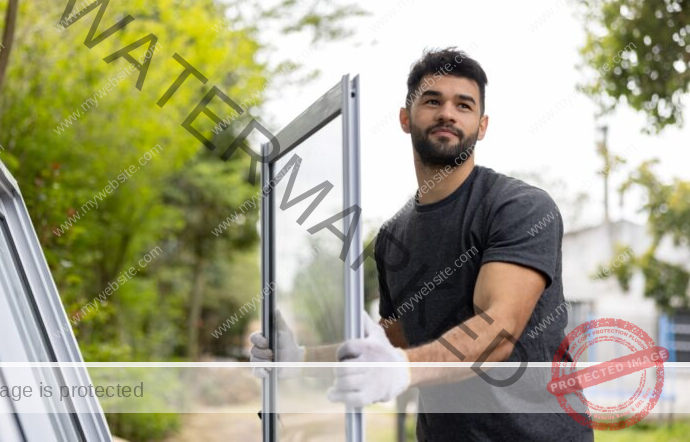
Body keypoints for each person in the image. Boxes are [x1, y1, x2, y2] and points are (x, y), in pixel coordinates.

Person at [251, 47, 594, 441]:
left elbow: (498, 328)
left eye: (463, 105)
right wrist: (300, 360)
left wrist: (400, 368)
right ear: (405, 118)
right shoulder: (393, 236)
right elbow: (394, 340)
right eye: (433, 101)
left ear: (482, 126)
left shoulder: (518, 207)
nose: (447, 113)